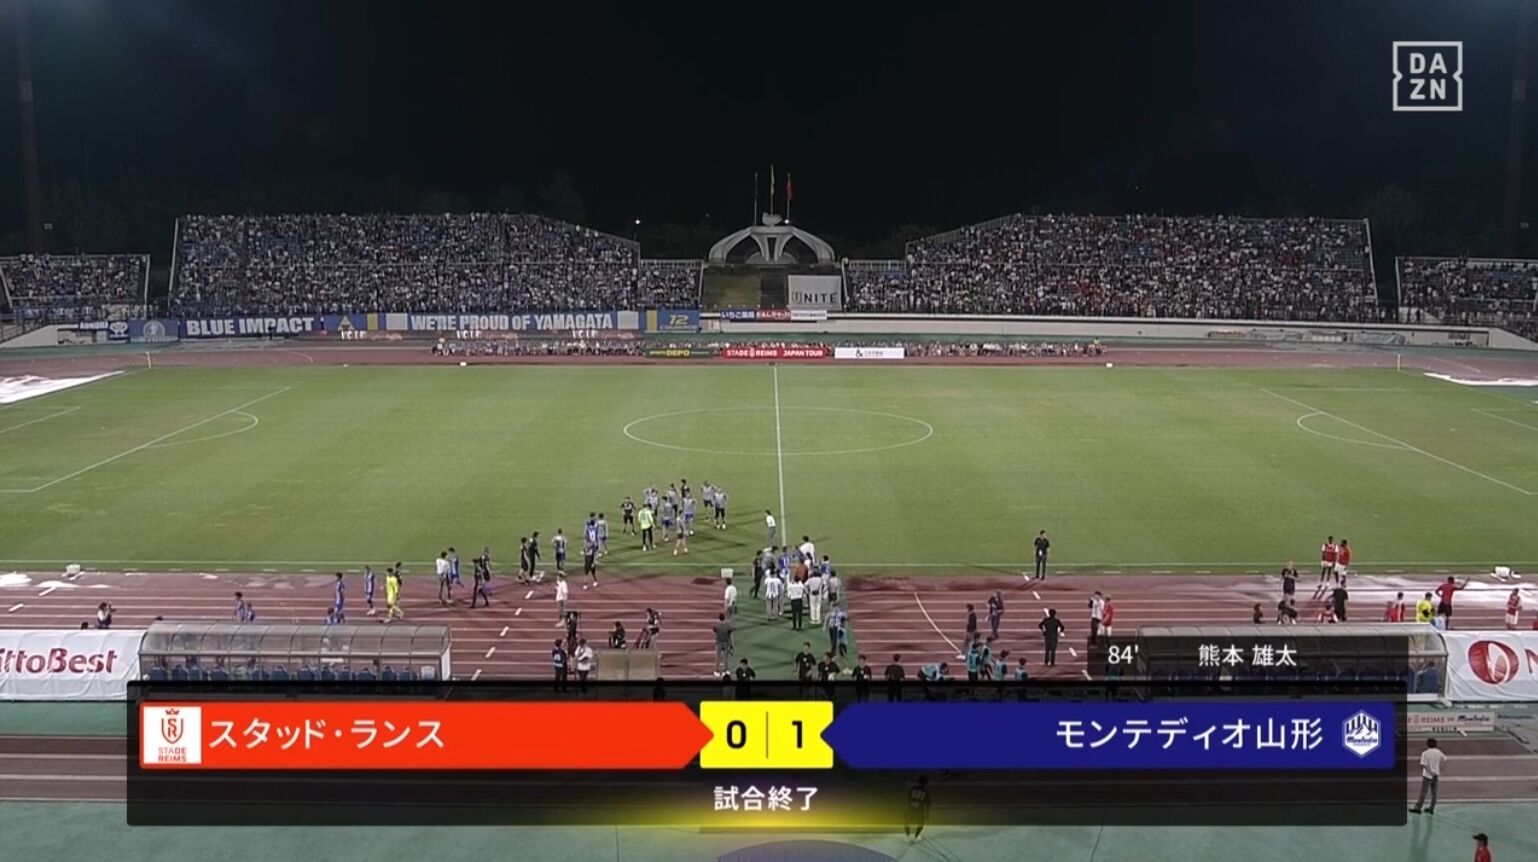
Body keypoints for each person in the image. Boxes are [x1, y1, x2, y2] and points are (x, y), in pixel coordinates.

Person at [1409, 737, 1445, 815]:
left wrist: (1431, 772)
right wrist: (1439, 769)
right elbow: (1444, 759)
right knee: (1434, 793)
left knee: (1423, 792)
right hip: (1436, 775)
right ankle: (1431, 808)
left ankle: (1418, 808)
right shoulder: (1438, 752)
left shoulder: (1425, 753)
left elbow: (1424, 765)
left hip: (1427, 775)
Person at [904, 776, 931, 843]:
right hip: (919, 809)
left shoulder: (913, 788)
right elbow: (927, 803)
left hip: (911, 808)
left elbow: (908, 798)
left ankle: (908, 836)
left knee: (907, 822)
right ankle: (916, 836)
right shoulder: (926, 791)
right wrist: (927, 814)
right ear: (925, 784)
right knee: (921, 823)